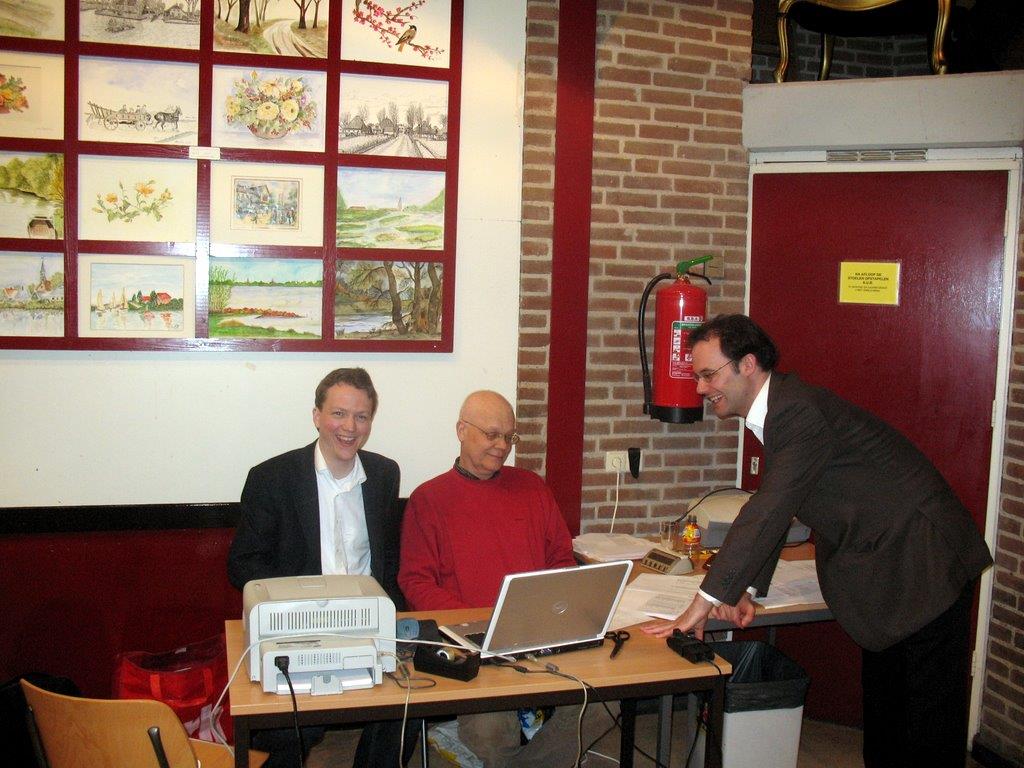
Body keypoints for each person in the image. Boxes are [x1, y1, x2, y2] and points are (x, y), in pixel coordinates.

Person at [641, 314, 992, 768]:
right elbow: (779, 502)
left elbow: (768, 509)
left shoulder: (798, 411)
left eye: (708, 374)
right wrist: (745, 587)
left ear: (747, 364)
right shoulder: (781, 410)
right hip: (891, 566)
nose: (700, 388)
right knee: (887, 720)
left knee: (924, 730)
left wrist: (703, 603)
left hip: (924, 560)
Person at [399, 390, 608, 767]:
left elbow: (561, 558)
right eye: (492, 435)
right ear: (461, 430)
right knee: (491, 732)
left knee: (602, 703)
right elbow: (416, 584)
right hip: (473, 644)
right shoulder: (428, 499)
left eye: (509, 436)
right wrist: (480, 622)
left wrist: (553, 609)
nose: (502, 446)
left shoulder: (531, 486)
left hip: (539, 633)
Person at [228, 367, 413, 768]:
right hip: (298, 628)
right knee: (293, 727)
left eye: (361, 416)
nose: (350, 427)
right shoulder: (272, 478)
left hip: (366, 625)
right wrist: (293, 605)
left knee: (409, 704)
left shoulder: (384, 474)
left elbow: (389, 559)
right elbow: (242, 564)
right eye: (338, 414)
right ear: (316, 416)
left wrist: (398, 619)